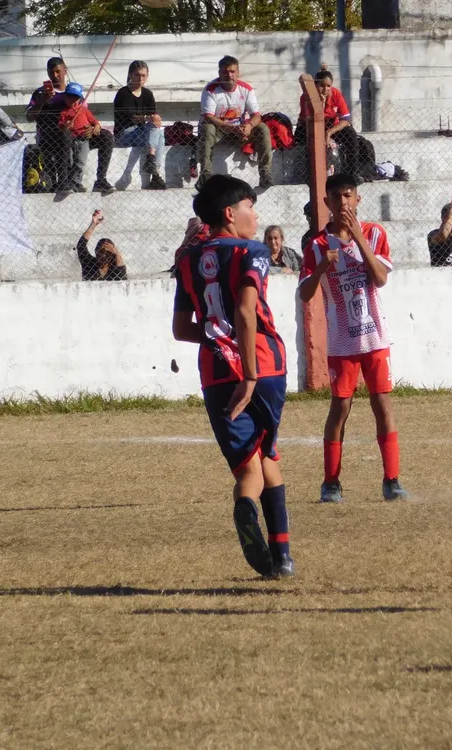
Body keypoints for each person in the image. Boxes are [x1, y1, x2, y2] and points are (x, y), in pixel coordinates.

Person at [172, 175, 293, 579]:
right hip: (264, 367)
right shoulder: (252, 250)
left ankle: (248, 510)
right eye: (249, 207)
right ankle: (282, 556)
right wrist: (251, 375)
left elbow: (181, 329)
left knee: (248, 467)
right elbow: (244, 311)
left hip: (216, 372)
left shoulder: (187, 259)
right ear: (229, 213)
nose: (255, 215)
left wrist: (216, 337)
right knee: (268, 454)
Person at [299, 173, 408, 503]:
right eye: (337, 197)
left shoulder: (374, 234)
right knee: (340, 407)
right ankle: (331, 482)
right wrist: (322, 267)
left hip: (375, 337)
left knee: (382, 404)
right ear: (327, 203)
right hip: (342, 341)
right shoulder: (317, 245)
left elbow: (380, 278)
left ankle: (392, 480)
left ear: (358, 199)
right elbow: (305, 293)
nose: (343, 202)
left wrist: (358, 238)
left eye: (348, 195)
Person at [197, 56, 274, 191]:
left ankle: (265, 174)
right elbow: (208, 117)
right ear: (219, 73)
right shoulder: (211, 89)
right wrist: (231, 128)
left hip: (240, 129)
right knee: (208, 128)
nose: (229, 75)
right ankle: (205, 175)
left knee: (262, 128)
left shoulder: (246, 89)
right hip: (219, 129)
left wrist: (249, 126)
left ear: (238, 72)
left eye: (232, 71)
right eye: (225, 72)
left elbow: (256, 115)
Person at [297, 67, 376, 184]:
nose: (325, 89)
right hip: (310, 126)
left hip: (332, 126)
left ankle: (352, 174)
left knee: (351, 135)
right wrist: (321, 104)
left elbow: (346, 119)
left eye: (328, 86)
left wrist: (329, 132)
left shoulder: (335, 94)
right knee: (302, 141)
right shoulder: (306, 97)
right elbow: (311, 120)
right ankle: (308, 174)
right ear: (315, 85)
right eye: (322, 86)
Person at [53, 83, 116, 195]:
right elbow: (61, 126)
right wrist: (66, 125)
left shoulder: (83, 110)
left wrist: (96, 126)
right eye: (70, 97)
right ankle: (68, 181)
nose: (73, 100)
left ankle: (78, 182)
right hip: (72, 140)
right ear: (65, 97)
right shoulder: (64, 112)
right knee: (71, 160)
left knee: (80, 162)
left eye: (76, 98)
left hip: (84, 139)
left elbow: (94, 121)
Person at [114, 61, 166, 190]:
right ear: (130, 75)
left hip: (142, 133)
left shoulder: (148, 94)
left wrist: (156, 118)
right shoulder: (123, 93)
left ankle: (152, 164)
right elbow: (130, 116)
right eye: (137, 75)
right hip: (124, 133)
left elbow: (152, 114)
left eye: (143, 75)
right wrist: (147, 118)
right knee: (157, 132)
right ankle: (155, 172)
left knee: (159, 132)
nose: (140, 78)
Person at [26, 57, 72, 192]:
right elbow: (29, 117)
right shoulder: (40, 93)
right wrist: (41, 101)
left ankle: (100, 180)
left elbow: (84, 112)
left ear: (65, 71)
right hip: (47, 137)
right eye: (51, 72)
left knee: (105, 136)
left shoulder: (73, 92)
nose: (55, 75)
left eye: (58, 71)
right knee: (64, 136)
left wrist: (93, 126)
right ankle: (62, 183)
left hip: (75, 133)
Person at [78, 210, 127, 281]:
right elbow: (81, 246)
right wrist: (93, 225)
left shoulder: (115, 269)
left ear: (112, 255)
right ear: (96, 251)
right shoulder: (89, 263)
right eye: (101, 251)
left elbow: (123, 279)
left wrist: (117, 253)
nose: (103, 255)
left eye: (107, 252)